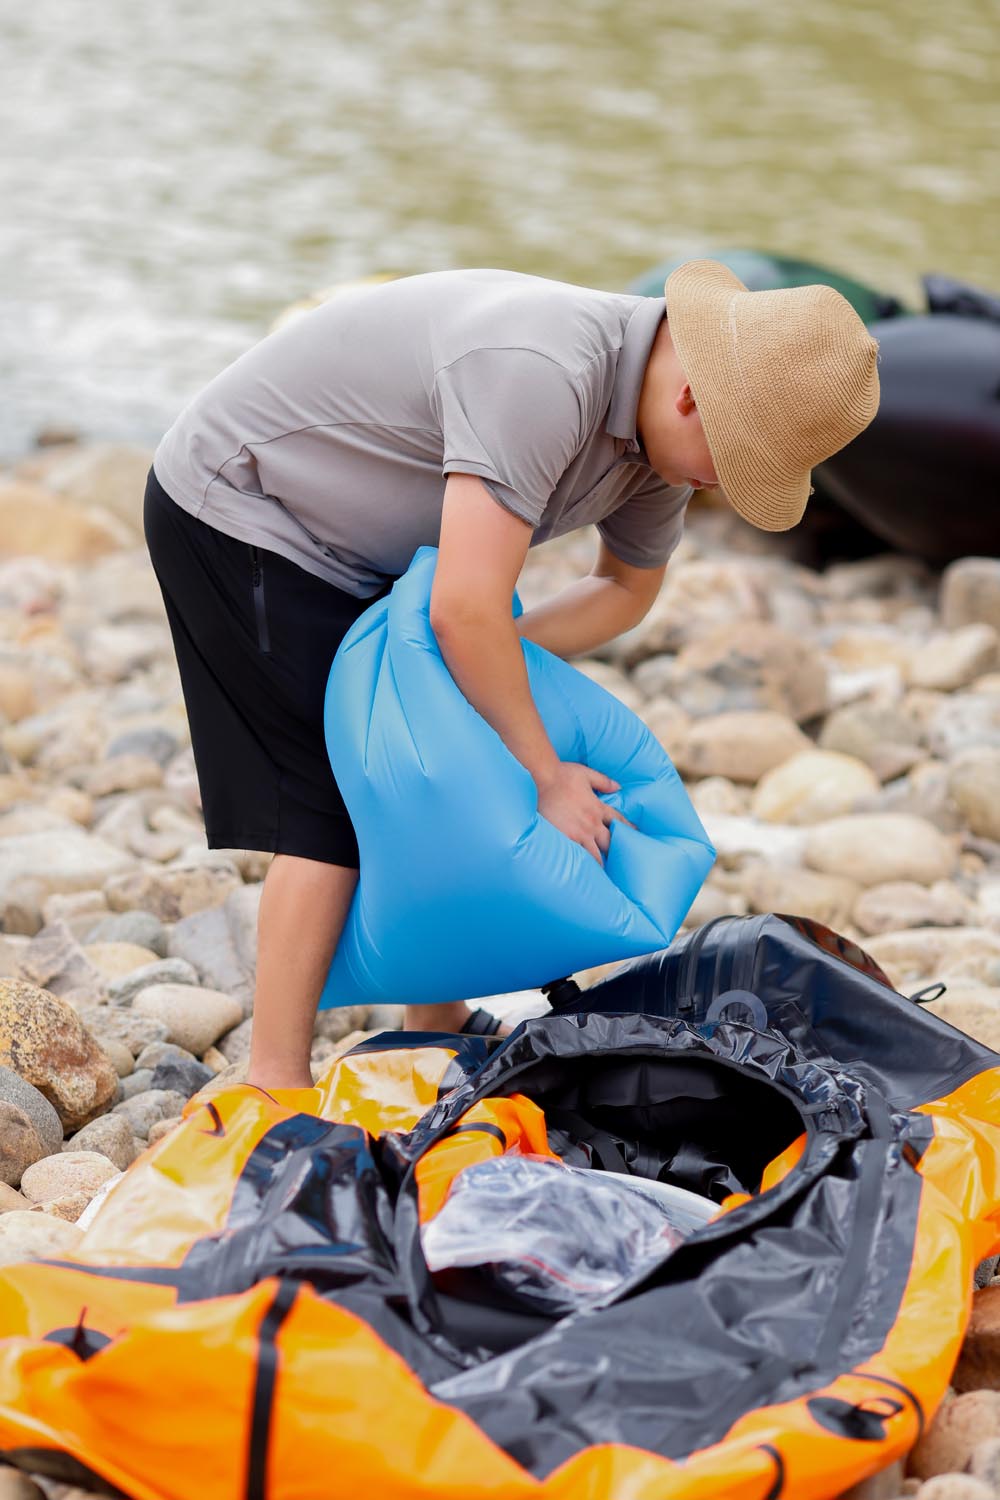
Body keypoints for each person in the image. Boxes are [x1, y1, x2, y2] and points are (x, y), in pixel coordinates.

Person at [143, 259, 879, 1090]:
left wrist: (480, 655)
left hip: (374, 550)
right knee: (331, 801)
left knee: (452, 756)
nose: (717, 485)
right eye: (733, 462)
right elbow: (463, 610)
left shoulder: (657, 445)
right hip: (246, 508)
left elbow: (623, 589)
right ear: (691, 398)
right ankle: (273, 1077)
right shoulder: (547, 373)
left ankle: (435, 1016)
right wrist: (543, 766)